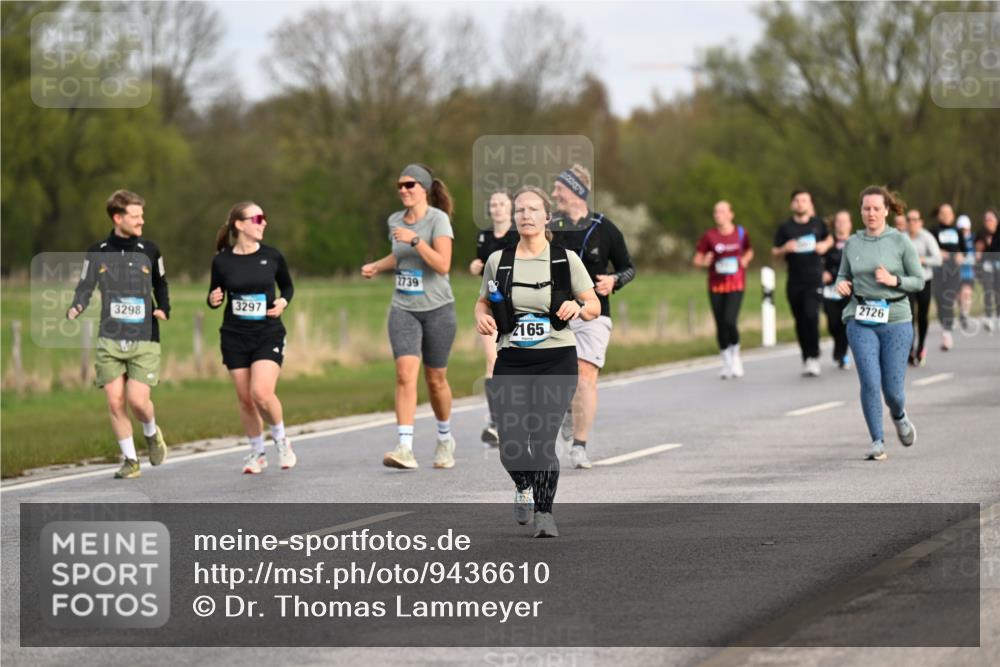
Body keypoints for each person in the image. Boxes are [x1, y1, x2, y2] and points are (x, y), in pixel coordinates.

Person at [474, 186, 600, 537]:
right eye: (520, 210)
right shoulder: (500, 261)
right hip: (512, 359)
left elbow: (593, 305)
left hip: (556, 359)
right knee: (511, 445)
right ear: (514, 218)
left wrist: (578, 306)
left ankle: (545, 513)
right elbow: (483, 302)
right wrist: (480, 317)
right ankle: (523, 484)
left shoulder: (564, 260)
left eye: (533, 209)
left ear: (547, 217)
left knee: (543, 440)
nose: (526, 215)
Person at [67, 190, 169, 479]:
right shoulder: (97, 250)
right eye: (136, 216)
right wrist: (78, 304)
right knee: (114, 401)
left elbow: (161, 284)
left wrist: (164, 308)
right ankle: (130, 460)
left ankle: (151, 433)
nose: (142, 221)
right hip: (110, 337)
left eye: (141, 215)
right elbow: (85, 285)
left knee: (138, 401)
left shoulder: (150, 249)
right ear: (118, 217)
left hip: (145, 337)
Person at [362, 164, 458, 470]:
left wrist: (416, 240)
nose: (403, 190)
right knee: (404, 374)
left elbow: (443, 265)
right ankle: (405, 446)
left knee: (436, 379)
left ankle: (445, 439)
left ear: (424, 189)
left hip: (438, 309)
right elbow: (399, 255)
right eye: (400, 186)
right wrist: (378, 265)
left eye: (409, 185)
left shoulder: (438, 220)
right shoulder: (394, 220)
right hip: (403, 307)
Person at [548, 164, 636, 469]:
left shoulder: (605, 228)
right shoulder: (551, 227)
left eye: (559, 188)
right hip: (556, 312)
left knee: (585, 376)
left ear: (576, 190)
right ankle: (569, 414)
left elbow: (628, 267)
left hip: (594, 314)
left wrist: (614, 281)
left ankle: (580, 446)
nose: (554, 193)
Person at [835, 186, 924, 461]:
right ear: (860, 211)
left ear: (886, 210)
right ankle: (877, 440)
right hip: (860, 318)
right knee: (870, 382)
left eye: (876, 208)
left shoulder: (900, 241)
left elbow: (919, 280)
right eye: (866, 208)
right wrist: (841, 284)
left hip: (896, 319)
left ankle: (899, 415)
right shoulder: (853, 242)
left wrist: (894, 280)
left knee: (893, 391)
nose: (871, 213)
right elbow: (842, 274)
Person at [208, 202, 297, 474]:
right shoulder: (222, 260)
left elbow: (288, 287)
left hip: (267, 332)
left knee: (261, 393)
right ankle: (257, 453)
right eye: (258, 218)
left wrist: (283, 301)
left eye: (264, 218)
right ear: (239, 224)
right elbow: (215, 294)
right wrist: (212, 299)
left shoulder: (272, 256)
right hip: (235, 336)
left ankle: (281, 440)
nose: (263, 222)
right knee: (246, 399)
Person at [470, 190, 519, 447]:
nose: (498, 208)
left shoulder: (518, 235)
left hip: (518, 307)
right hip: (490, 305)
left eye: (502, 204)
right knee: (492, 361)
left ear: (510, 208)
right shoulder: (484, 236)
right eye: (493, 204)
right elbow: (481, 267)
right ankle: (496, 421)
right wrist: (474, 267)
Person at [772, 189, 833, 376]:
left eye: (804, 200)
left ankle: (814, 356)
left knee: (811, 316)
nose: (800, 203)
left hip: (814, 279)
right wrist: (785, 248)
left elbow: (829, 238)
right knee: (799, 320)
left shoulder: (818, 224)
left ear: (810, 204)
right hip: (794, 280)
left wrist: (825, 245)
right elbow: (774, 252)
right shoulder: (785, 228)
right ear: (792, 204)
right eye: (797, 200)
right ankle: (806, 356)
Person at [693, 200, 754, 379]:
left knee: (729, 320)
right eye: (715, 212)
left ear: (730, 214)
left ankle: (736, 355)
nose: (717, 215)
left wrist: (746, 259)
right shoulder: (709, 236)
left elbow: (749, 251)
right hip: (716, 285)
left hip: (736, 284)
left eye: (721, 211)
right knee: (720, 324)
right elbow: (697, 259)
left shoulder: (741, 233)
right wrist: (704, 262)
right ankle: (726, 361)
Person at [905, 209, 942, 366]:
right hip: (907, 281)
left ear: (920, 222)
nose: (912, 222)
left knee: (922, 315)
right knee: (909, 316)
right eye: (909, 219)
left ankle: (921, 346)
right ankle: (910, 348)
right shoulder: (902, 238)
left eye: (915, 219)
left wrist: (921, 259)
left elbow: (938, 259)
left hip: (924, 280)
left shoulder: (926, 237)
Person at [929, 203, 966, 350]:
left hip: (953, 272)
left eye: (948, 213)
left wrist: (960, 255)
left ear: (953, 215)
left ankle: (947, 334)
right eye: (943, 213)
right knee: (939, 302)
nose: (946, 216)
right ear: (938, 215)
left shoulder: (958, 231)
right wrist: (938, 252)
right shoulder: (933, 231)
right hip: (937, 272)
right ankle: (944, 328)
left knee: (947, 300)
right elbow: (928, 249)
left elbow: (965, 250)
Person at [822, 210, 853, 370]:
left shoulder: (855, 243)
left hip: (848, 289)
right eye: (838, 221)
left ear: (850, 224)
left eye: (844, 221)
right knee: (833, 324)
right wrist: (823, 272)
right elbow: (819, 260)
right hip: (830, 290)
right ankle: (838, 347)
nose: (841, 224)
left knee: (845, 323)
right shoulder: (829, 242)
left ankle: (842, 354)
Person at [975, 208, 999, 332]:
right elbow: (977, 254)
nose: (988, 221)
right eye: (986, 219)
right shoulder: (981, 234)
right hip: (986, 266)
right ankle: (989, 317)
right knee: (988, 290)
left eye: (991, 219)